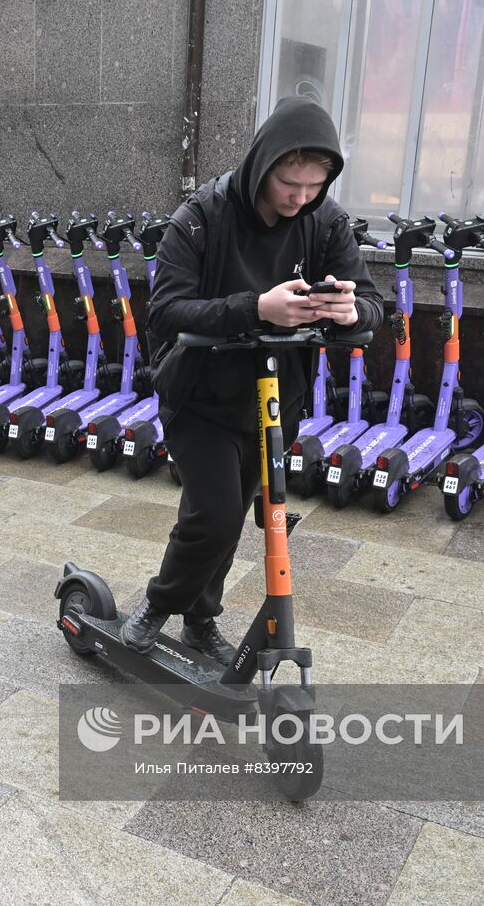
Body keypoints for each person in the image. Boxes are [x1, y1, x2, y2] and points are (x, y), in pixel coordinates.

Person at [121, 97, 383, 664]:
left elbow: (371, 302)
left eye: (313, 186)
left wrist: (351, 313)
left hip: (274, 397)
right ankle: (158, 606)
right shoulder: (200, 218)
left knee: (234, 515)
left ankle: (198, 619)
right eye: (290, 182)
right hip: (199, 393)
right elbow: (166, 312)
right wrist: (255, 308)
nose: (300, 198)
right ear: (263, 164)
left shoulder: (325, 221)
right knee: (212, 516)